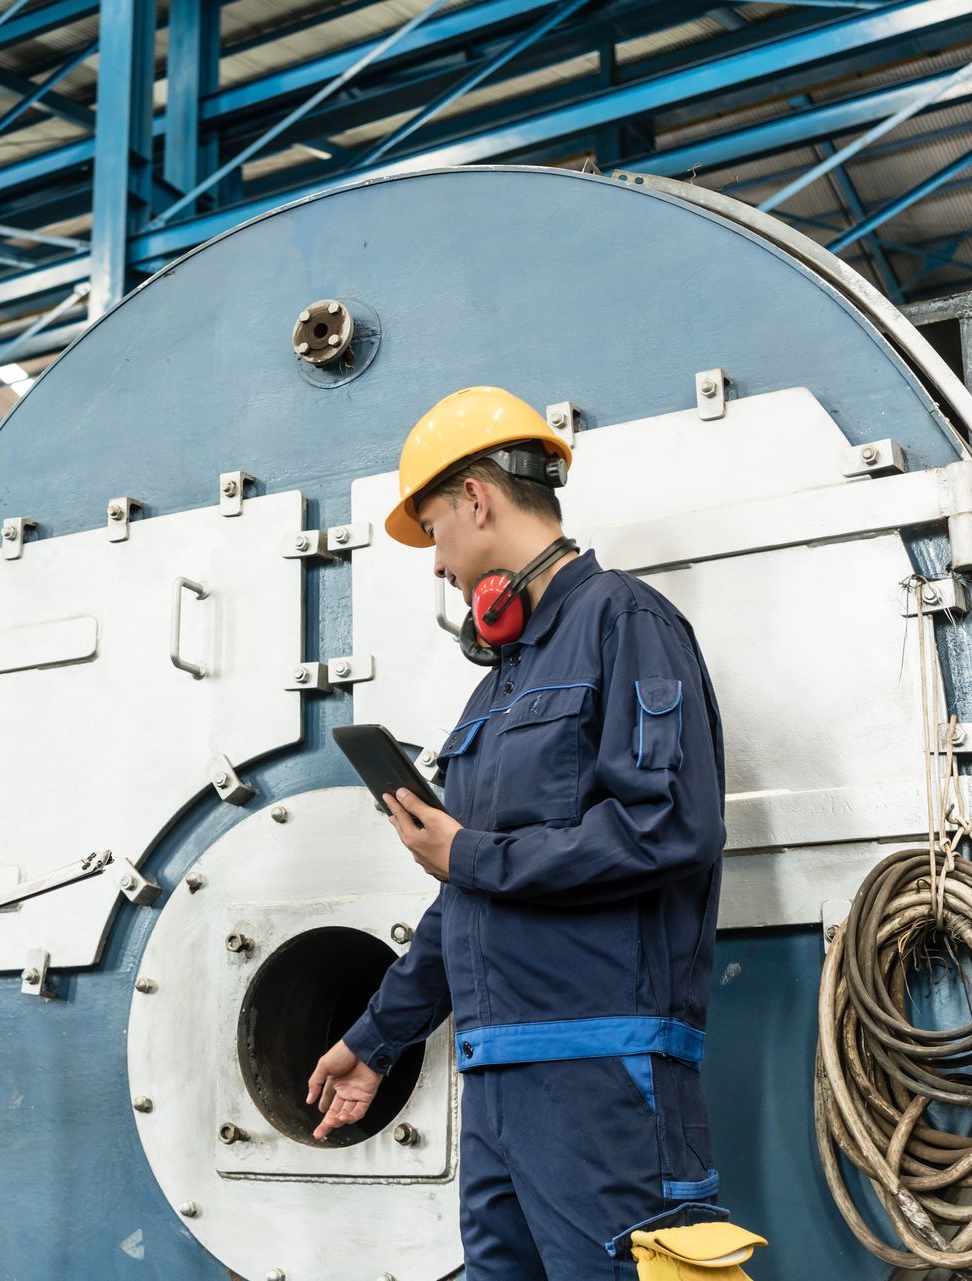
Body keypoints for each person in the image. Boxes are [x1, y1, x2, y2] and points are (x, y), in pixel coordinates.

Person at [307, 386, 728, 1279]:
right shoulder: (493, 688)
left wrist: (466, 850)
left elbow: (667, 828)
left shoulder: (626, 620)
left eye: (432, 529)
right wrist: (377, 1039)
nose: (435, 562)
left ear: (477, 497)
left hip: (605, 1079)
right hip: (494, 1087)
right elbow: (471, 895)